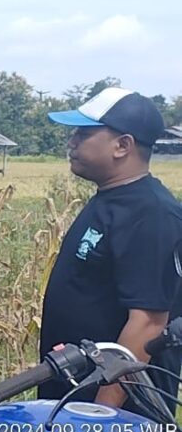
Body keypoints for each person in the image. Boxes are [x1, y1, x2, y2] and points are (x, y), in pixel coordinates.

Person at [37, 88, 182, 410]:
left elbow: (148, 322)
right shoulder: (111, 199)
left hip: (116, 417)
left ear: (122, 146)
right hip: (77, 396)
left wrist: (100, 414)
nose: (71, 142)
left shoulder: (151, 214)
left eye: (84, 133)